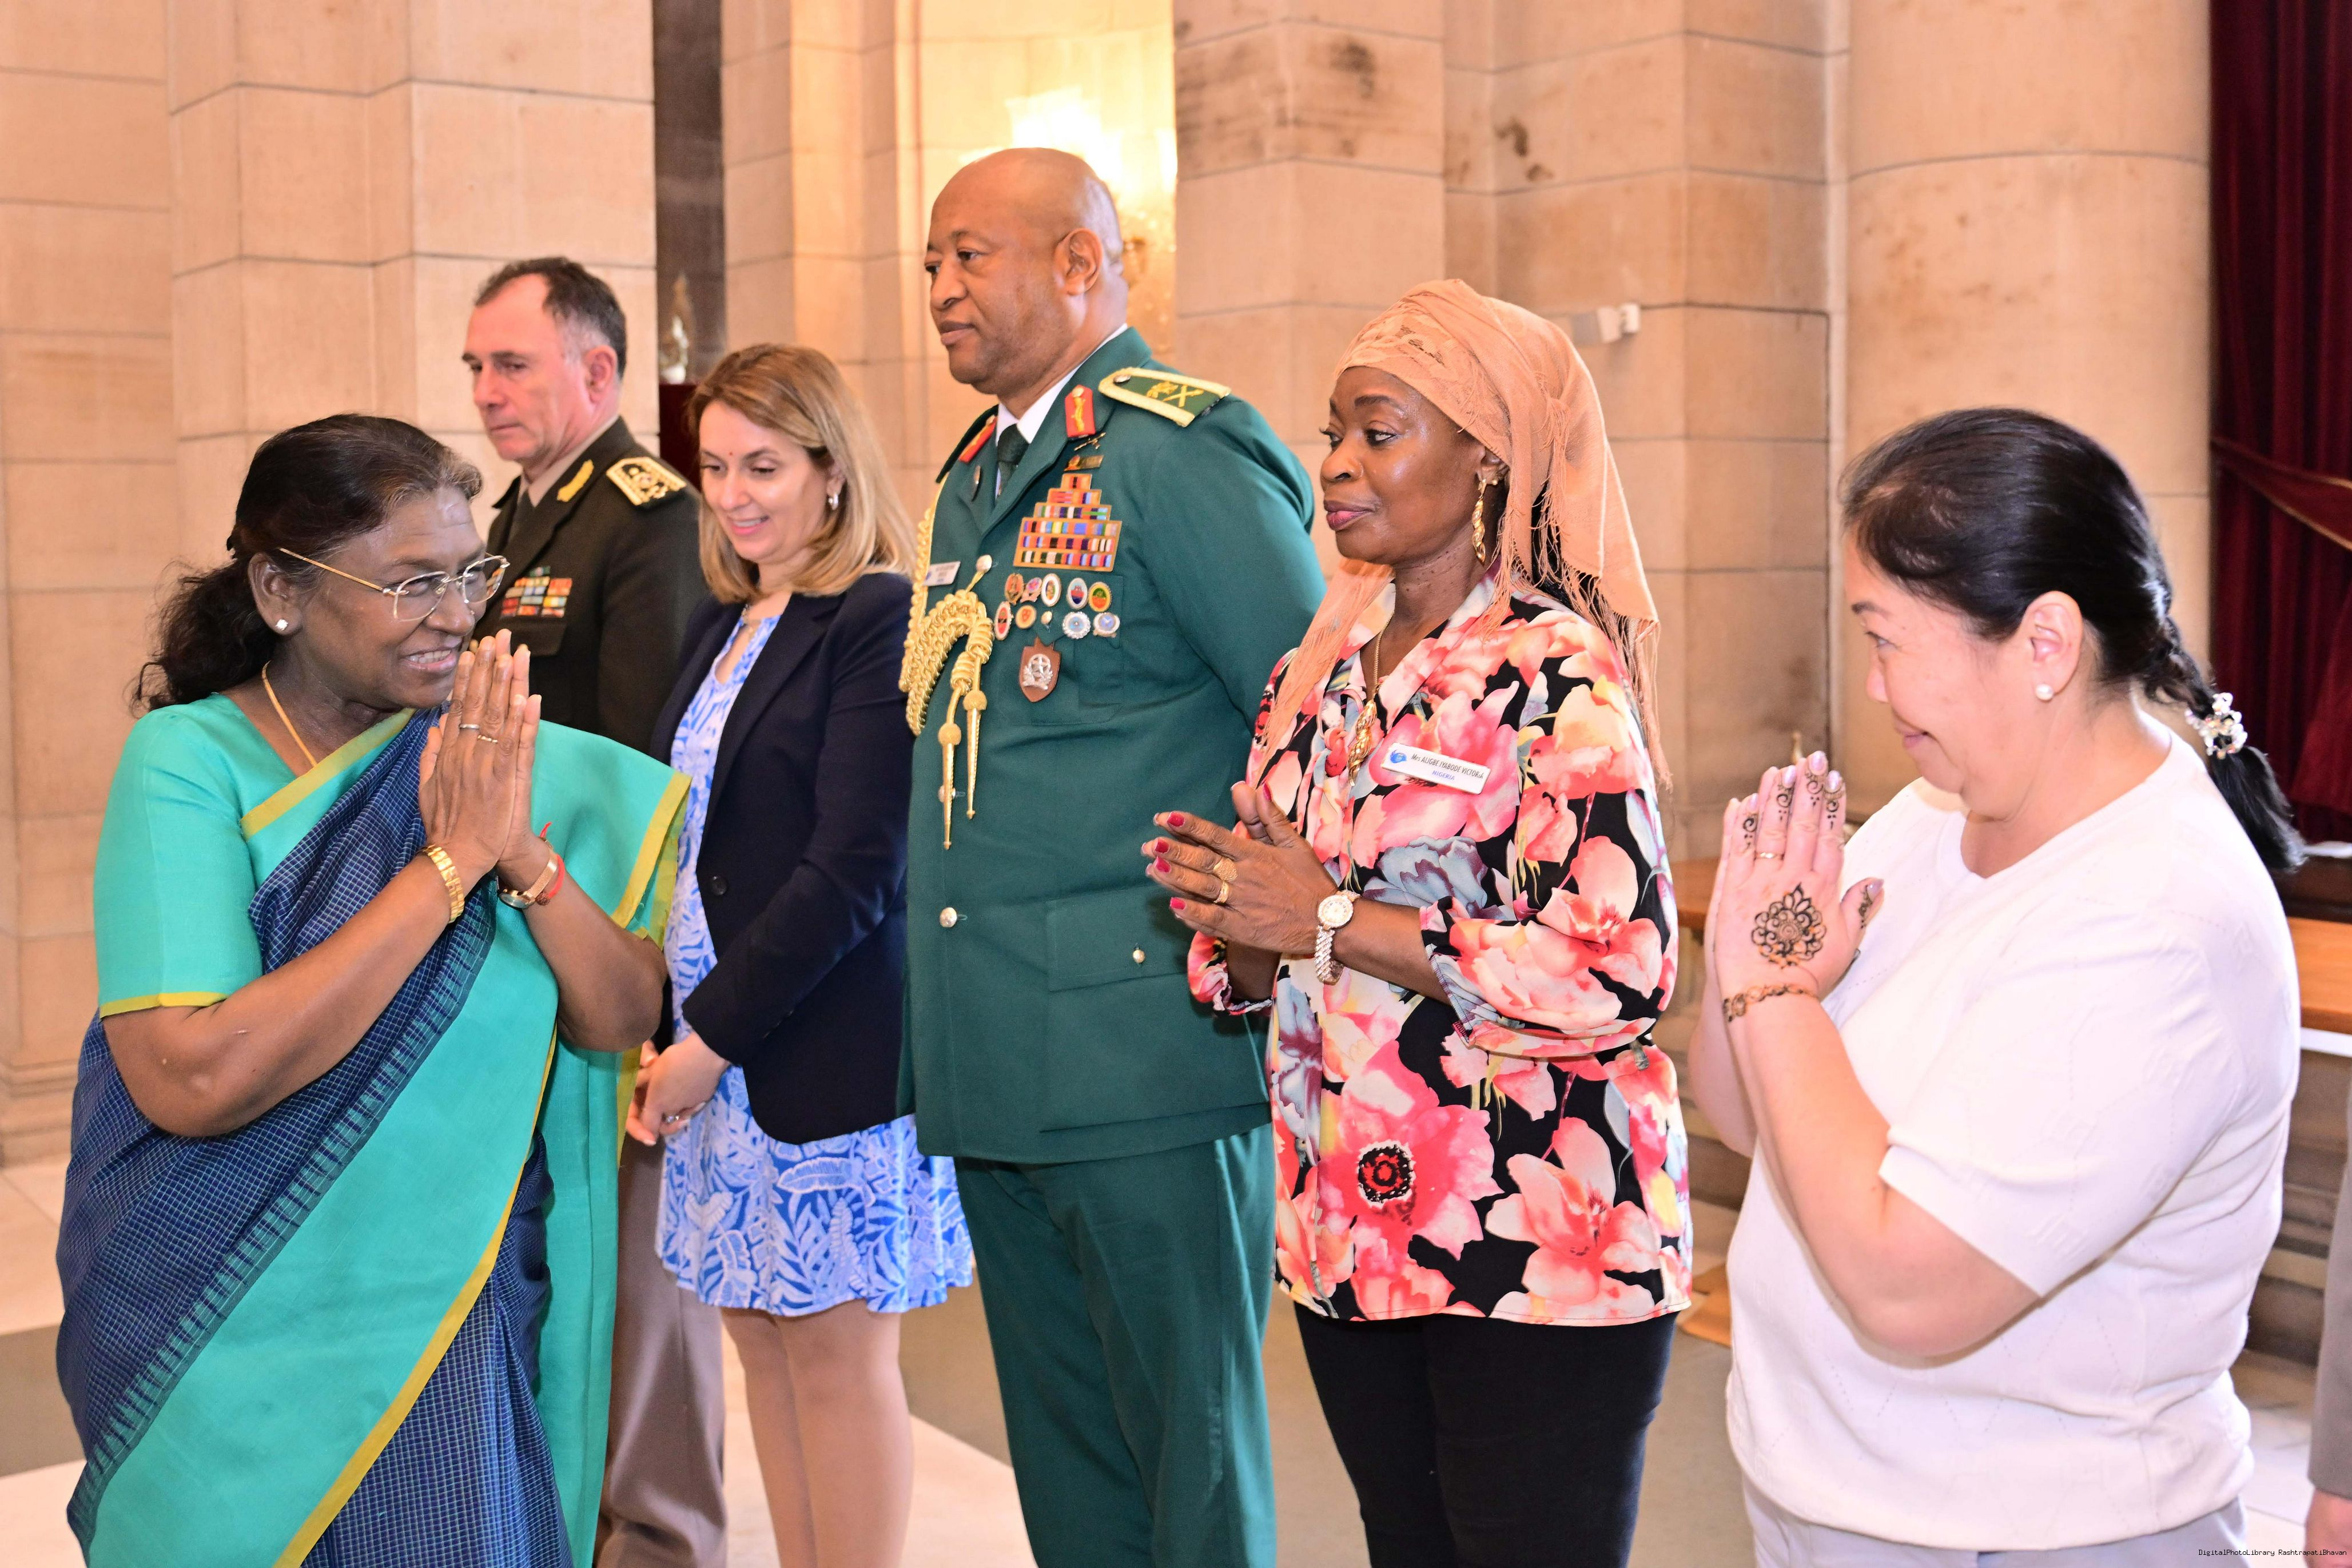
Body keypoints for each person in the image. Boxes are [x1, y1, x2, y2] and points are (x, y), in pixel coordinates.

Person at [55, 415, 685, 1566]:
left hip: (449, 1309)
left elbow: (622, 1015)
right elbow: (193, 1075)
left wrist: (520, 854)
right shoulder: (188, 762)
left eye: (469, 574)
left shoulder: (485, 756)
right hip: (229, 1312)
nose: (456, 614)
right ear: (281, 591)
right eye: (410, 583)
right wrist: (448, 865)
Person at [1688, 408, 2305, 1565]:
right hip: (1830, 1499)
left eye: (1886, 639)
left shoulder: (2157, 915)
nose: (1875, 688)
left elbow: (1910, 1291)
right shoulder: (1928, 815)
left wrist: (1771, 994)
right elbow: (1745, 1118)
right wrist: (1746, 951)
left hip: (2031, 1532)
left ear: (2043, 644)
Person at [1157, 280, 1685, 1568]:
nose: (1335, 464)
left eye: (1377, 432)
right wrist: (1235, 917)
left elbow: (1618, 967)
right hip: (1347, 1224)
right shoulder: (1314, 677)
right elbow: (1254, 958)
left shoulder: (1552, 669)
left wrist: (1329, 915)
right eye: (1331, 433)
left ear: (1486, 458)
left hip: (1534, 1227)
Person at [898, 147, 1324, 1567]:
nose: (940, 287)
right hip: (996, 1046)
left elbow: (1309, 722)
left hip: (1143, 1052)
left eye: (969, 255)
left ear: (1079, 263)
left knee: (1187, 1464)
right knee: (1069, 1468)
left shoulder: (1176, 453)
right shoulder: (975, 478)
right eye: (931, 262)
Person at [628, 344, 973, 1568]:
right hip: (716, 1050)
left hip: (812, 1046)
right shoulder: (724, 622)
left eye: (763, 466)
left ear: (833, 470)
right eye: (716, 466)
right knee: (761, 1344)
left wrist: (709, 1042)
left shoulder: (874, 615)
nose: (733, 495)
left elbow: (857, 866)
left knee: (832, 1353)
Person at [463, 254, 723, 1567]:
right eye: (475, 367)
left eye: (511, 364)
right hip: (526, 937)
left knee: (639, 1287)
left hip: (609, 948)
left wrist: (641, 985)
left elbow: (646, 772)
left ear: (598, 370)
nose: (486, 391)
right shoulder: (508, 524)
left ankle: (662, 1542)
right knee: (563, 1276)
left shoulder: (645, 518)